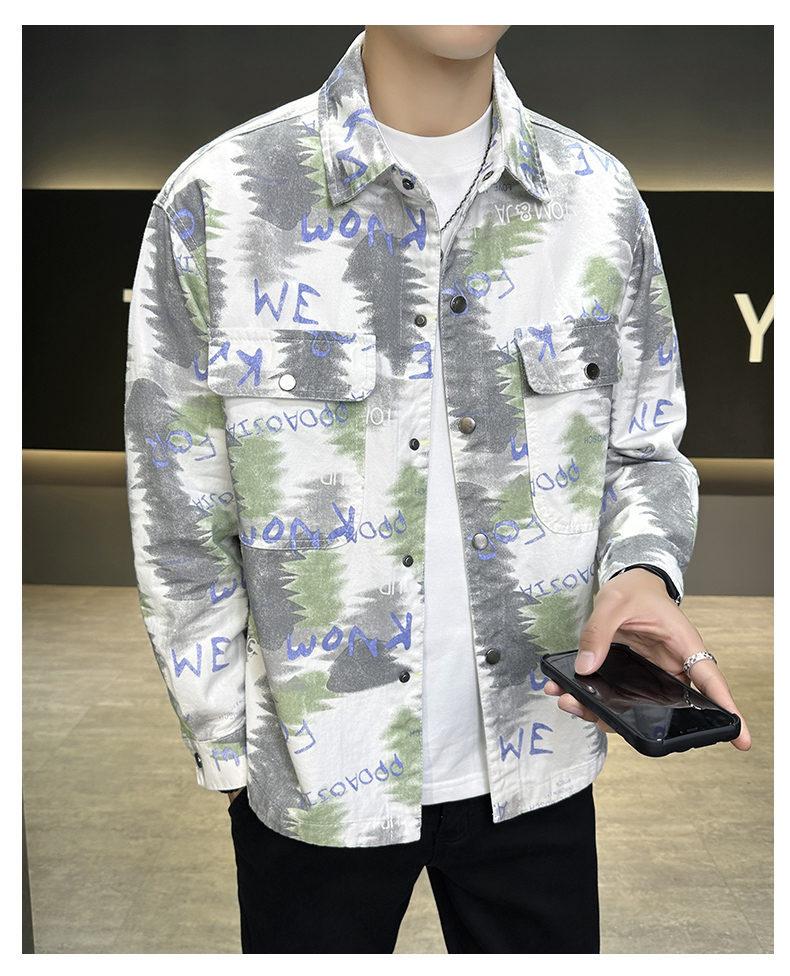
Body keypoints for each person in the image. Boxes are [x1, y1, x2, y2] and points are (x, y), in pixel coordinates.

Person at [123, 25, 751, 954]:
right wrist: (231, 747)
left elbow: (644, 450)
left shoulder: (597, 198)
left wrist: (642, 569)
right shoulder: (219, 199)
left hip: (538, 766)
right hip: (316, 780)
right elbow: (179, 510)